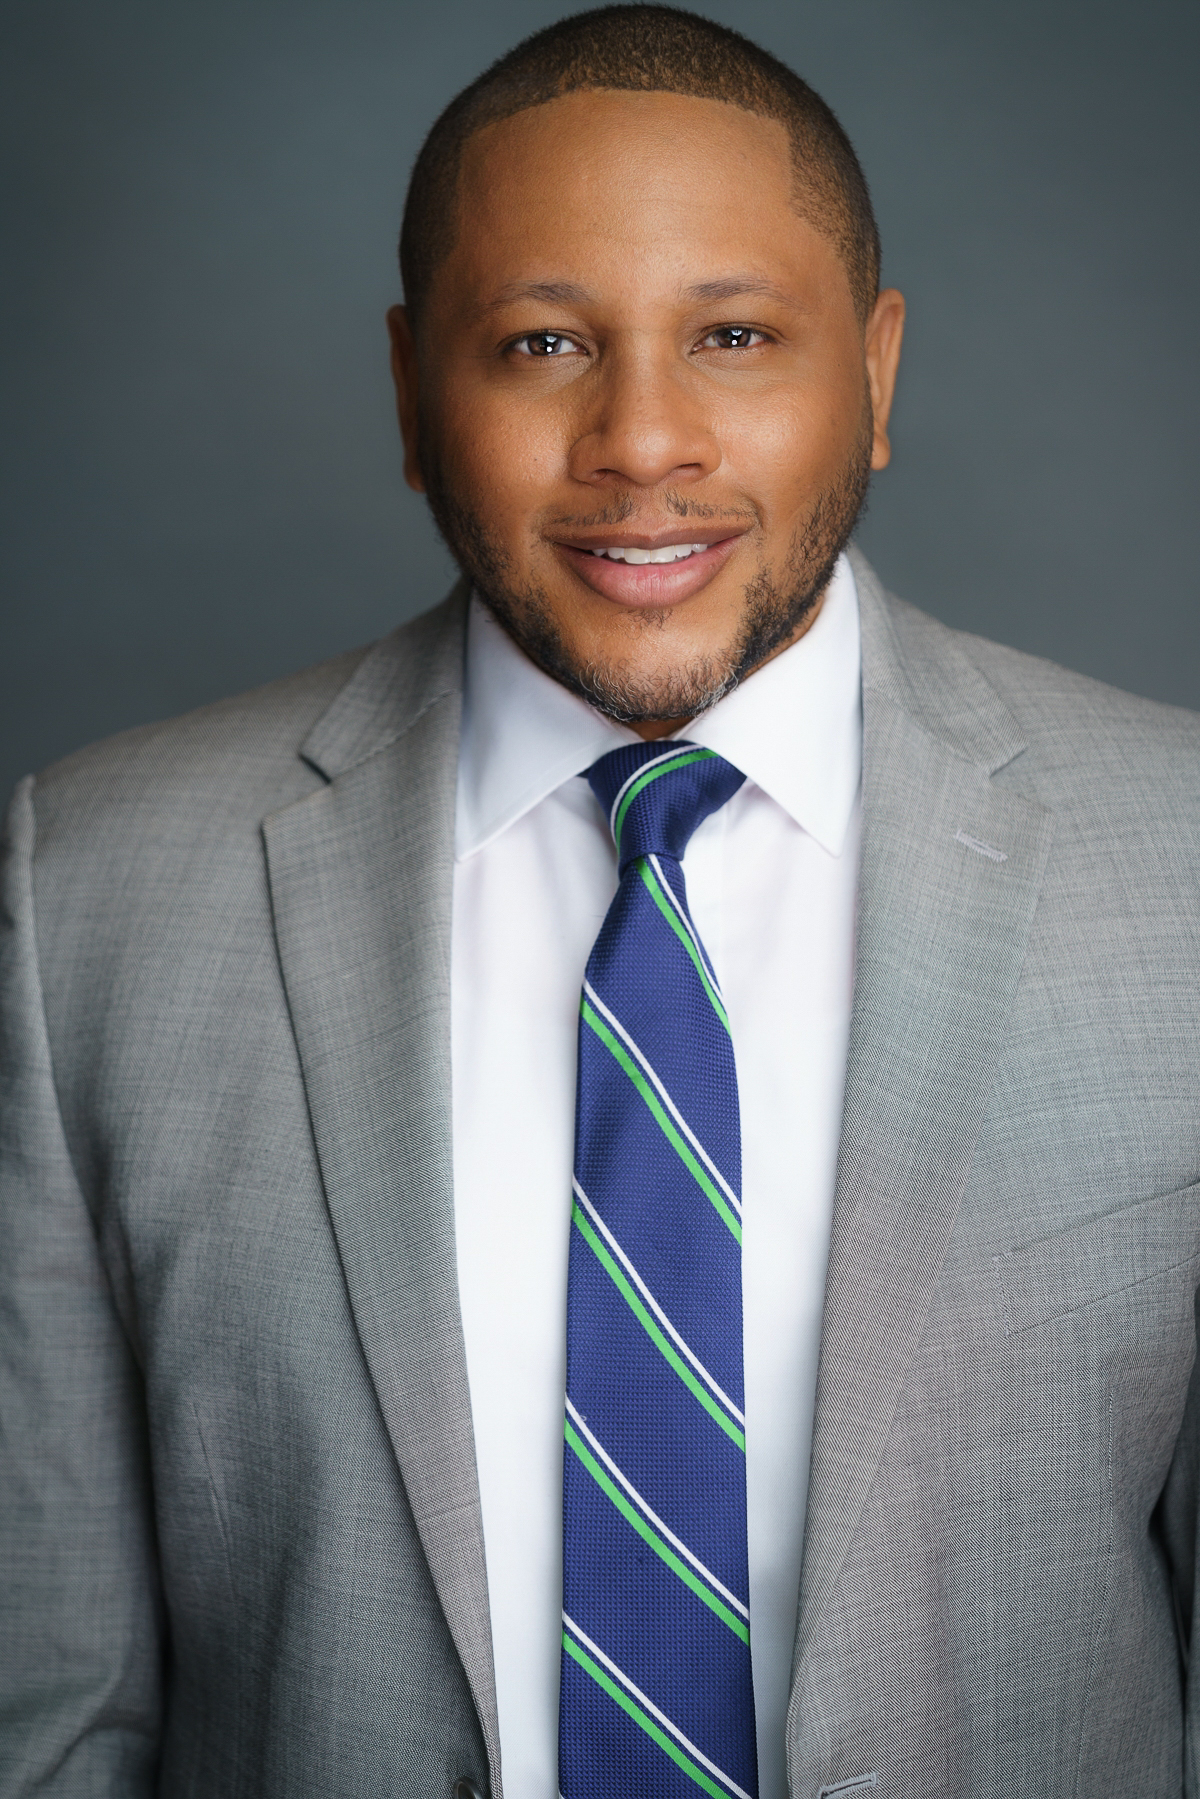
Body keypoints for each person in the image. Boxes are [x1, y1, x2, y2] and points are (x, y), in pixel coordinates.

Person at [2, 6, 1198, 1796]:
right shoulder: (88, 893)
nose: (641, 440)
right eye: (542, 342)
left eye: (734, 335)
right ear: (413, 391)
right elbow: (45, 1706)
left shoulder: (1180, 863)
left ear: (877, 374)